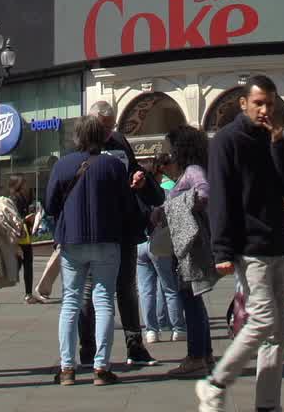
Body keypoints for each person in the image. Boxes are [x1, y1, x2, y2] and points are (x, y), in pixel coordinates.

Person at [196, 76, 284, 412]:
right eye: (259, 103)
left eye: (270, 103)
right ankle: (215, 382)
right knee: (263, 320)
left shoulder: (272, 138)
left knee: (278, 331)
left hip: (276, 242)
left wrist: (278, 142)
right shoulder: (226, 140)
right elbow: (221, 198)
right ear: (244, 103)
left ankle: (268, 404)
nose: (266, 110)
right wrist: (221, 250)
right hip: (249, 245)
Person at [47, 116, 139, 386]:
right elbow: (126, 205)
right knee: (104, 301)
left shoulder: (63, 165)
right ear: (102, 137)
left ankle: (67, 368)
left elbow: (51, 205)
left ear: (77, 137)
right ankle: (101, 367)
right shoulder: (113, 165)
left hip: (72, 241)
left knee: (71, 302)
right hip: (106, 240)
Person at [89, 99, 167, 368]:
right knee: (92, 291)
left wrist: (138, 178)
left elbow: (133, 167)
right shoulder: (85, 145)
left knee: (127, 287)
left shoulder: (120, 141)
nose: (109, 132)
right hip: (96, 230)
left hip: (123, 226)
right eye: (104, 127)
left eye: (112, 126)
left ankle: (135, 346)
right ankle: (88, 349)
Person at [164, 124, 215, 378]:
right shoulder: (190, 171)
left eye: (173, 148)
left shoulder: (193, 171)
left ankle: (196, 356)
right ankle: (204, 354)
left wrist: (182, 205)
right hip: (189, 244)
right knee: (194, 300)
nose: (170, 153)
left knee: (190, 300)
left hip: (189, 246)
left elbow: (204, 192)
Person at [134, 158, 184, 343]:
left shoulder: (136, 192)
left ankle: (151, 331)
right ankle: (177, 327)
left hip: (140, 242)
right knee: (169, 287)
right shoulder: (165, 189)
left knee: (146, 290)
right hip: (160, 240)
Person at [8, 176, 40, 303]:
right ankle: (28, 294)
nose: (27, 186)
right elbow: (15, 217)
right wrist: (27, 218)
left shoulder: (23, 198)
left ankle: (28, 293)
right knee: (23, 265)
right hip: (20, 236)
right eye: (24, 184)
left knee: (21, 266)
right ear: (18, 186)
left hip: (23, 235)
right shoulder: (15, 199)